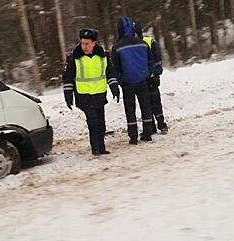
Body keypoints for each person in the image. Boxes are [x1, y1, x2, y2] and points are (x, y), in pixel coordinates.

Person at [62, 28, 120, 156]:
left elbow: (109, 72)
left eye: (87, 43)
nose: (84, 46)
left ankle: (101, 147)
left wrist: (114, 88)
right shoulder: (74, 58)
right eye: (82, 43)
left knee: (101, 123)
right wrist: (68, 95)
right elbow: (67, 78)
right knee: (93, 122)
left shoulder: (103, 56)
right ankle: (95, 148)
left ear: (94, 43)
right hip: (84, 97)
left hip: (99, 95)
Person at [110, 17, 154, 145]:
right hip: (142, 80)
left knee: (130, 109)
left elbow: (116, 67)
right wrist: (148, 75)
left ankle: (133, 136)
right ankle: (148, 133)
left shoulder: (117, 47)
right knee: (146, 107)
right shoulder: (143, 44)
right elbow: (150, 62)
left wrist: (120, 80)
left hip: (127, 83)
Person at [133, 20, 168, 134]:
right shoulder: (132, 45)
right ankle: (151, 126)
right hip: (141, 79)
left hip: (151, 77)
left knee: (156, 102)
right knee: (145, 104)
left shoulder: (149, 41)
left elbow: (156, 59)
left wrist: (157, 74)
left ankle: (161, 124)